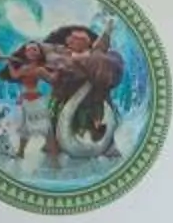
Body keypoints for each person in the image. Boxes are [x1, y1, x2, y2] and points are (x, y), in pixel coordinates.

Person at [46, 23, 125, 164]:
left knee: (96, 119)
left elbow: (110, 67)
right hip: (66, 101)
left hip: (94, 102)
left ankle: (108, 146)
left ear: (87, 42)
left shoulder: (102, 57)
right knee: (56, 117)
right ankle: (53, 146)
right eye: (70, 39)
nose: (70, 41)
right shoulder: (62, 55)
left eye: (75, 39)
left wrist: (89, 58)